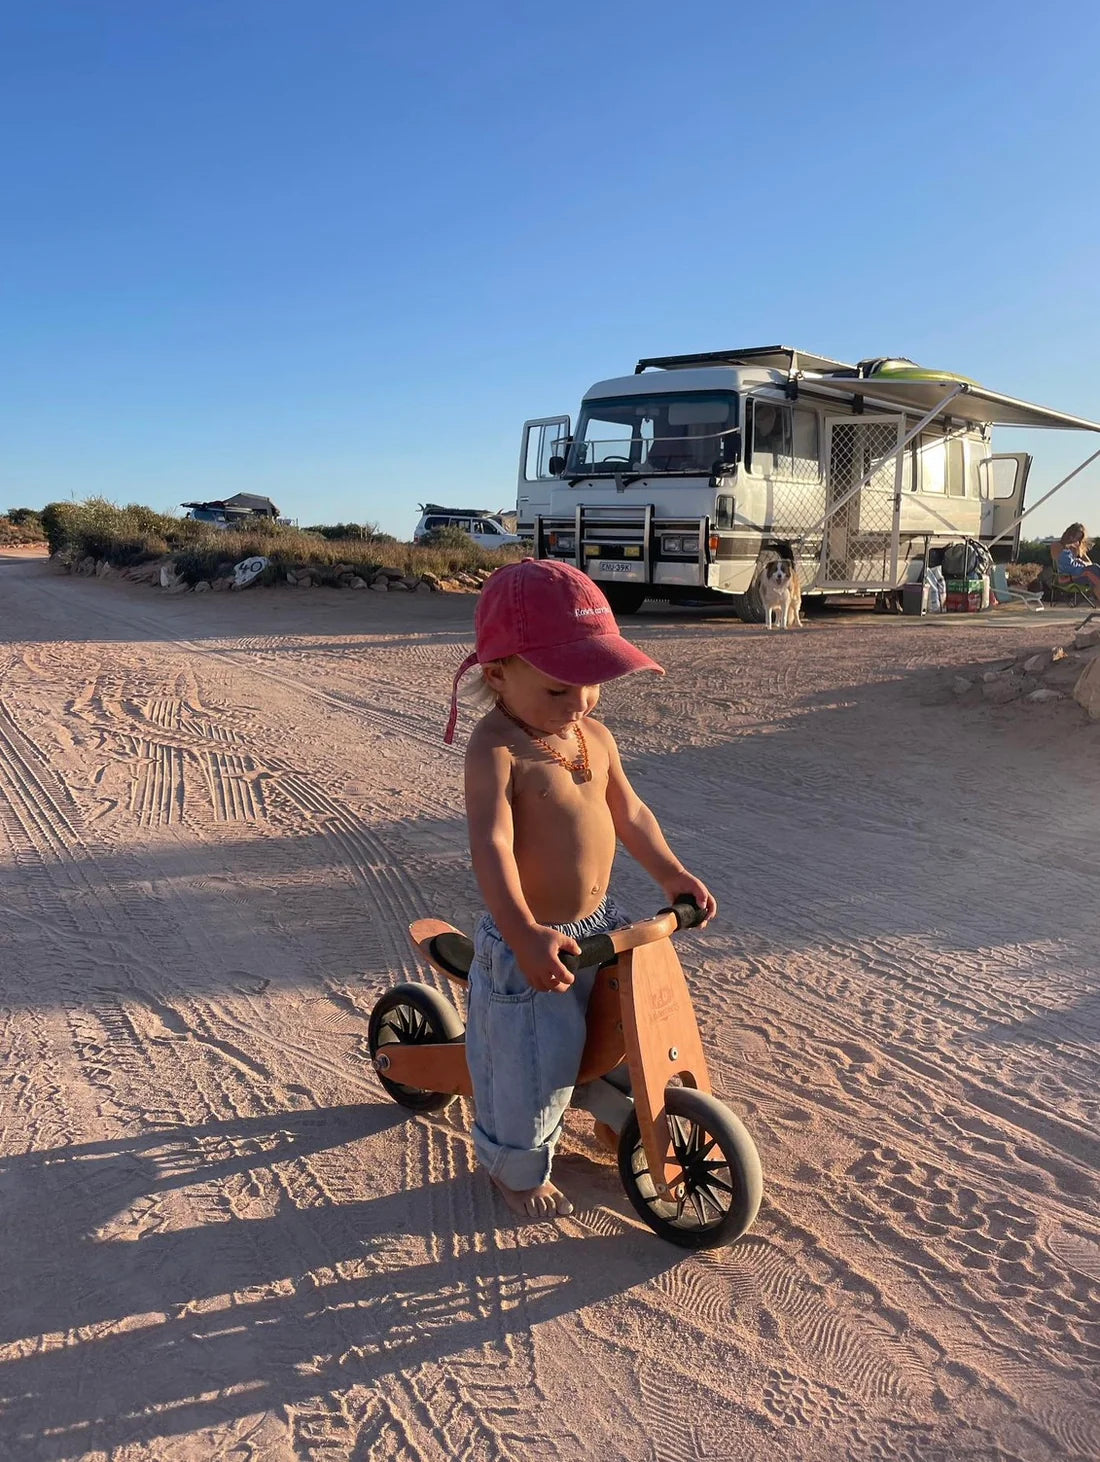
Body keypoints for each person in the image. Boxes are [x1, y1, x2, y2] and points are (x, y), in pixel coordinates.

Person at [444, 559, 717, 1221]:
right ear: (497, 674)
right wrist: (521, 933)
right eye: (560, 690)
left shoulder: (592, 734)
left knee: (623, 1025)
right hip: (531, 945)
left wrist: (673, 874)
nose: (581, 704)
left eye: (593, 684)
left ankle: (620, 1111)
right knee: (533, 1060)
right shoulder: (497, 749)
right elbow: (493, 846)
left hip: (601, 924)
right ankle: (516, 1167)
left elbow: (631, 813)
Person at [1055, 523, 1100, 599]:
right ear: (1070, 536)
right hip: (1072, 577)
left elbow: (1089, 563)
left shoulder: (1077, 549)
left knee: (1095, 567)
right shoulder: (1061, 549)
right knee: (1093, 574)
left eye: (1079, 539)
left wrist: (1082, 562)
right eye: (1076, 537)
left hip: (1081, 573)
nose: (1077, 541)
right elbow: (1068, 568)